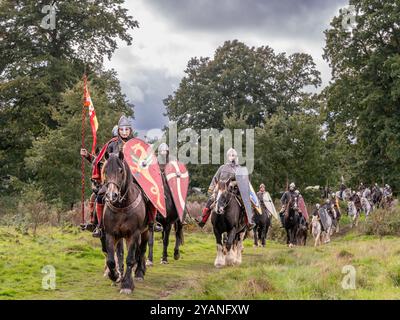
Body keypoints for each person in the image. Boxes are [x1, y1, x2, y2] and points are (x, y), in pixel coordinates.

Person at [197, 148, 255, 229]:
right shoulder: (222, 167)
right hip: (221, 189)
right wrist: (211, 189)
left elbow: (243, 181)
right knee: (210, 201)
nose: (232, 157)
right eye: (230, 156)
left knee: (245, 204)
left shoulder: (239, 169)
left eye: (233, 155)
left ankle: (248, 222)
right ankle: (203, 220)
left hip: (234, 191)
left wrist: (234, 183)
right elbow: (215, 178)